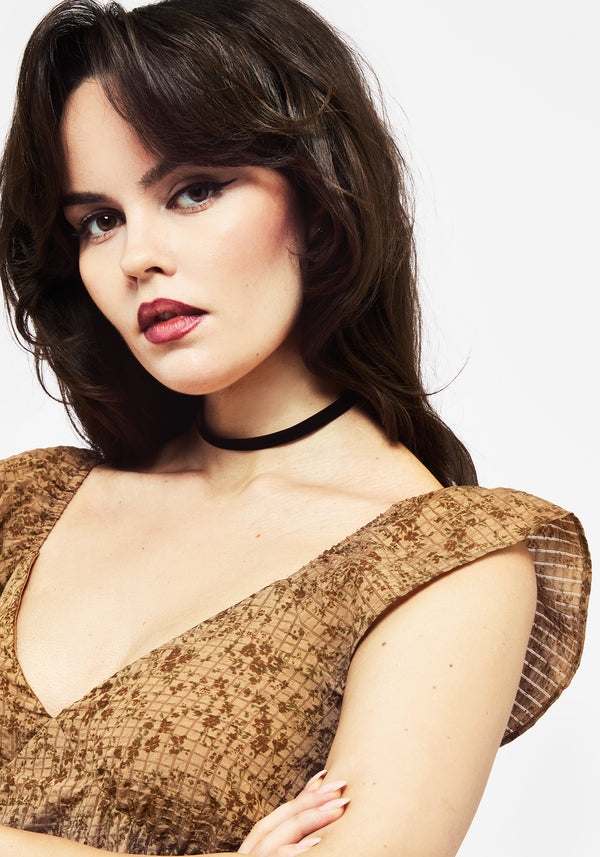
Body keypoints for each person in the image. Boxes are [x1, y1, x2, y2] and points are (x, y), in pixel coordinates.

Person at [0, 0, 591, 855]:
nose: (136, 257)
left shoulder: (445, 562)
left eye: (193, 191)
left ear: (317, 201)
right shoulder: (22, 503)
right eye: (99, 218)